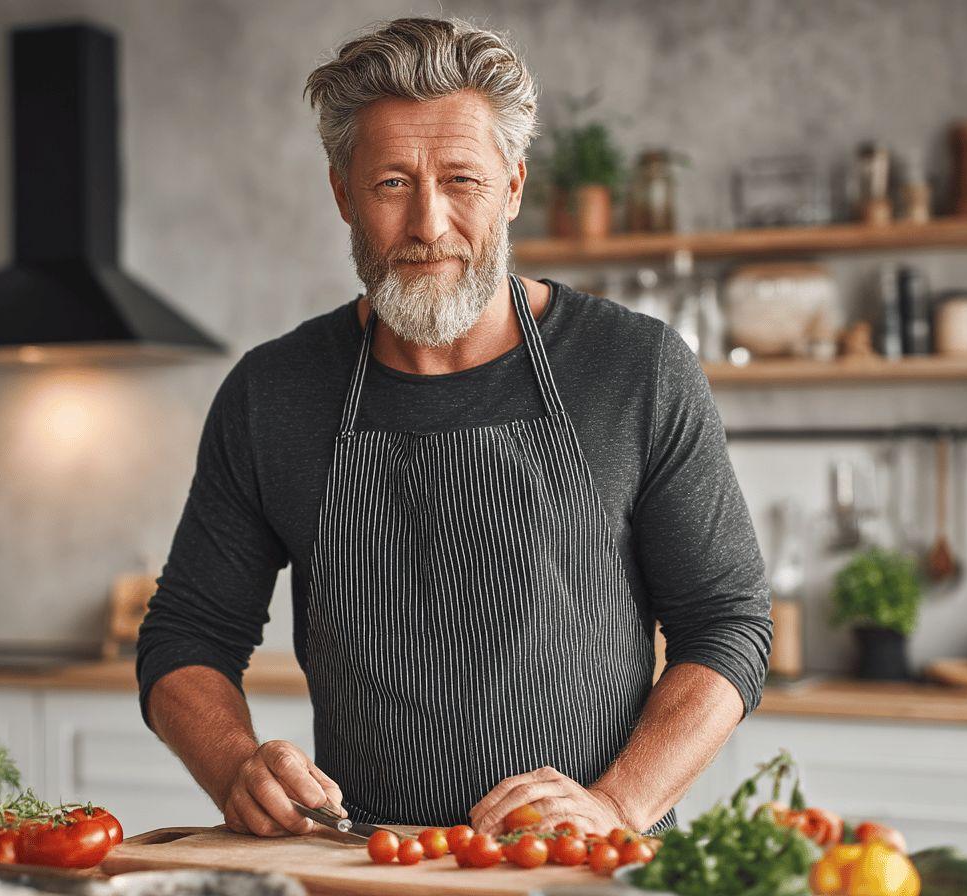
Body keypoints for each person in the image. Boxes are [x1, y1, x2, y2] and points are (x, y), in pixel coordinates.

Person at [136, 16, 771, 838]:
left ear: (512, 185)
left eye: (462, 180)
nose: (429, 225)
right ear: (342, 194)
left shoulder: (635, 368)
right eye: (393, 182)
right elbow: (188, 633)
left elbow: (727, 622)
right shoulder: (273, 392)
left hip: (582, 871)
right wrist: (233, 765)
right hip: (365, 868)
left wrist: (616, 806)